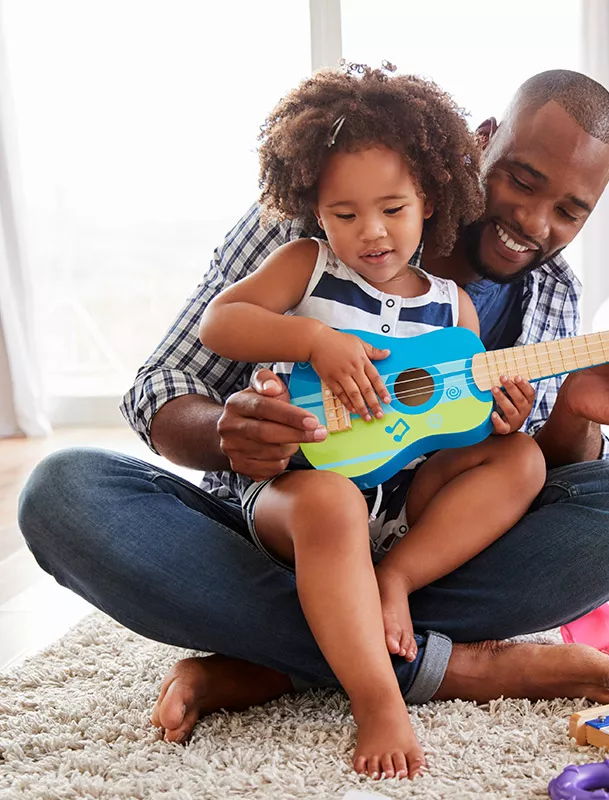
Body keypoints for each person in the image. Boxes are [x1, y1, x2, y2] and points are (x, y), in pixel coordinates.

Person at [17, 69, 609, 782]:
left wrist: (576, 415)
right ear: (482, 144)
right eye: (522, 182)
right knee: (63, 493)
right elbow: (161, 385)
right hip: (281, 520)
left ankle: (280, 660)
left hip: (418, 543)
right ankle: (447, 666)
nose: (535, 222)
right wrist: (229, 434)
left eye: (570, 211)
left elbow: (531, 478)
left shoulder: (541, 293)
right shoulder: (316, 216)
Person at [197, 64, 546, 775]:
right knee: (329, 503)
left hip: (401, 506)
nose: (372, 232)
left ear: (431, 196)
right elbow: (220, 324)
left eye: (393, 208)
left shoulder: (453, 308)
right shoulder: (308, 266)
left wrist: (502, 418)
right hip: (303, 494)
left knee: (524, 462)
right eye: (345, 215)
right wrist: (313, 341)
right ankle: (379, 696)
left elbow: (454, 423)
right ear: (316, 211)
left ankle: (394, 585)